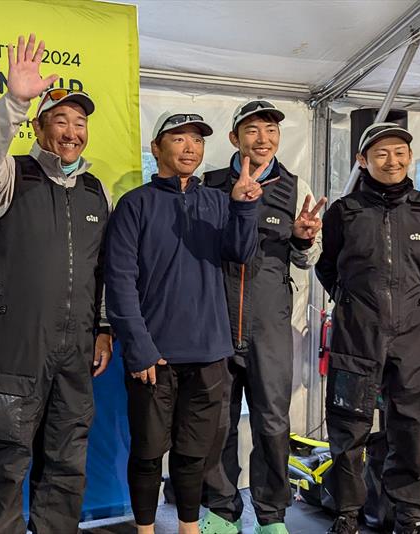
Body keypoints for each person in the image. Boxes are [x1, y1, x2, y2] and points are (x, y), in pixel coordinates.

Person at [0, 34, 113, 534]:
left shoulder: (95, 191)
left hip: (75, 351)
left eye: (80, 122)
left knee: (67, 466)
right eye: (61, 120)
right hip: (17, 351)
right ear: (42, 127)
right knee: (6, 466)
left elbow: (102, 268)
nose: (72, 131)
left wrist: (104, 327)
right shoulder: (12, 176)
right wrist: (15, 102)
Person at [105, 111, 263, 534]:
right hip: (154, 358)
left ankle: (188, 527)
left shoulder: (217, 199)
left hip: (211, 353)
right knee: (148, 452)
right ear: (157, 148)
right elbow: (119, 282)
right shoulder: (134, 204)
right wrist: (138, 347)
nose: (190, 146)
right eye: (178, 138)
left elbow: (241, 253)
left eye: (197, 139)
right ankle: (145, 529)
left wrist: (246, 208)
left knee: (195, 454)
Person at [200, 100, 325, 534]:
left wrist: (306, 240)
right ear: (235, 138)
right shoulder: (210, 184)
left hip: (270, 326)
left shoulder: (296, 187)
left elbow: (306, 261)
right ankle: (220, 509)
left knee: (273, 422)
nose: (264, 139)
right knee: (218, 423)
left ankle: (271, 516)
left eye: (271, 130)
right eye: (253, 130)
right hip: (216, 322)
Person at [316, 123, 420, 534]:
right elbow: (327, 266)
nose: (393, 161)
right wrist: (354, 303)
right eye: (382, 154)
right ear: (363, 160)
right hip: (357, 335)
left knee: (411, 425)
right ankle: (348, 512)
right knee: (349, 427)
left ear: (409, 157)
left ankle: (410, 515)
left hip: (411, 337)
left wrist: (404, 305)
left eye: (400, 152)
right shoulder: (344, 211)